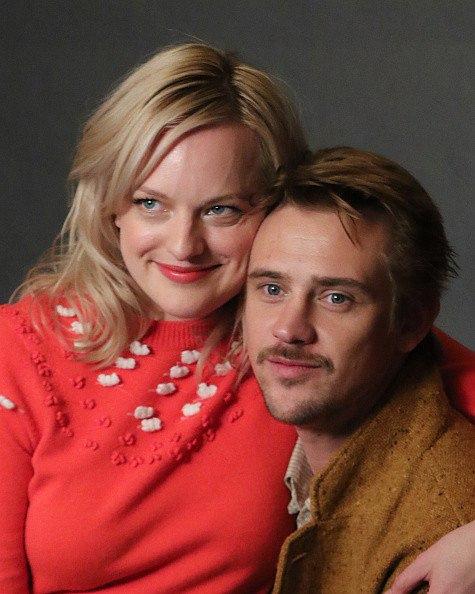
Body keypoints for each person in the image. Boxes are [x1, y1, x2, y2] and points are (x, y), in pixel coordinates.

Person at [0, 43, 472, 593]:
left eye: (221, 209)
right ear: (112, 208)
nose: (184, 245)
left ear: (273, 210)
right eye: (151, 203)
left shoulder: (295, 340)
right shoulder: (21, 346)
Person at [243, 146, 475, 593]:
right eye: (272, 289)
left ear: (411, 323)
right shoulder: (270, 442)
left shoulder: (442, 538)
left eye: (337, 298)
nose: (289, 329)